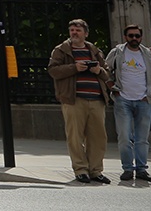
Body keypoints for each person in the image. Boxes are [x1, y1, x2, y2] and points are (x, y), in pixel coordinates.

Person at [49, 18, 112, 184]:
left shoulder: (94, 50)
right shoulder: (61, 50)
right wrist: (74, 68)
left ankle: (96, 171)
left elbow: (107, 74)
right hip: (73, 99)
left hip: (97, 99)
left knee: (98, 137)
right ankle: (80, 169)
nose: (74, 33)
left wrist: (98, 70)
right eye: (72, 30)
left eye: (77, 30)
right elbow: (53, 71)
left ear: (86, 33)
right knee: (75, 136)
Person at [104, 23, 151, 182]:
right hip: (123, 100)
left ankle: (142, 169)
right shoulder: (118, 52)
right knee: (125, 136)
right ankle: (127, 168)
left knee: (142, 138)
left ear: (141, 37)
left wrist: (150, 94)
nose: (134, 38)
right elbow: (105, 71)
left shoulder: (147, 54)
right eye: (131, 36)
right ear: (125, 37)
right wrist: (113, 89)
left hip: (143, 100)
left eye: (137, 36)